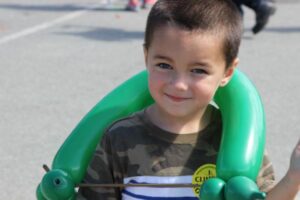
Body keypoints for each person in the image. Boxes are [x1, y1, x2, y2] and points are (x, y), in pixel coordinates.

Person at [77, 0, 300, 199]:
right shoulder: (119, 138)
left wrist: (293, 177)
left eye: (198, 70)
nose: (178, 84)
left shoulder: (235, 138)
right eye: (164, 65)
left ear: (228, 73)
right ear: (147, 58)